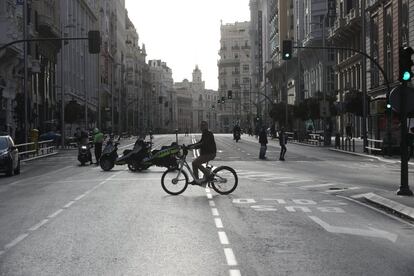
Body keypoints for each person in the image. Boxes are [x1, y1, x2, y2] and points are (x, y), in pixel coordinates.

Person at [187, 121, 217, 186]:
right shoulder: (204, 134)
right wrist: (190, 146)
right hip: (206, 154)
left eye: (203, 126)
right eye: (201, 126)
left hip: (210, 154)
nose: (202, 127)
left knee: (195, 163)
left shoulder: (209, 134)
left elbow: (203, 144)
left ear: (206, 126)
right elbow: (200, 142)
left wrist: (194, 146)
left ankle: (208, 175)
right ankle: (196, 179)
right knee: (194, 163)